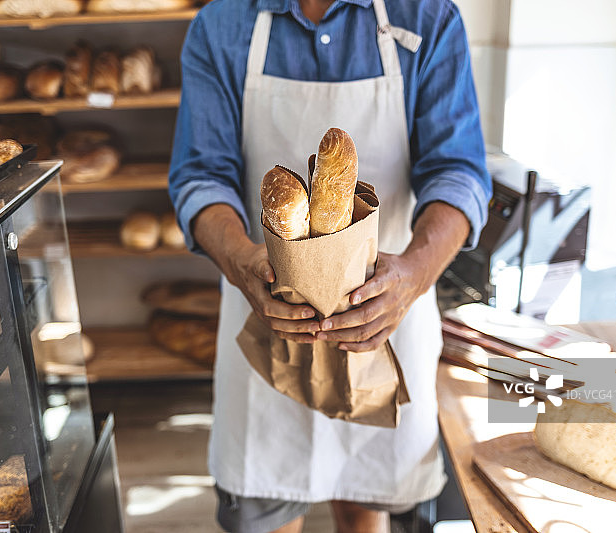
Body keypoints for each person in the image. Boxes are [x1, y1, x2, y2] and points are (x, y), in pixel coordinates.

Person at [169, 0, 491, 531]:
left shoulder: (427, 17)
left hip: (387, 327)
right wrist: (243, 261)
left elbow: (458, 173)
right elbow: (200, 177)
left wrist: (413, 273)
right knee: (263, 504)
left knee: (368, 513)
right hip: (263, 326)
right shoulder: (222, 25)